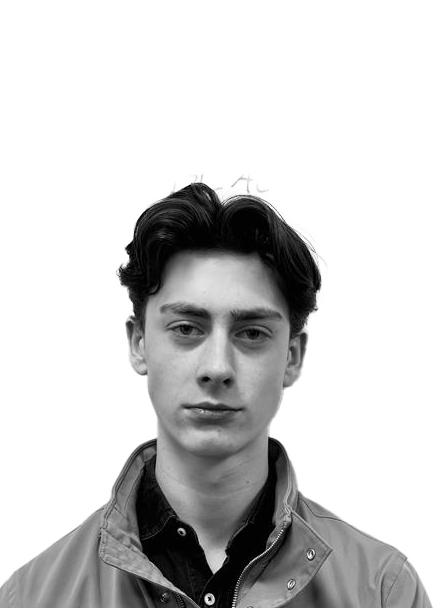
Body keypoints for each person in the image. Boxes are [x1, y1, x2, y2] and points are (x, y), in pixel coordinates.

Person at [0, 183, 432, 607]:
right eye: (187, 328)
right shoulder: (33, 597)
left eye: (252, 333)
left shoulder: (382, 591)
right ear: (139, 343)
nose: (217, 368)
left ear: (292, 356)